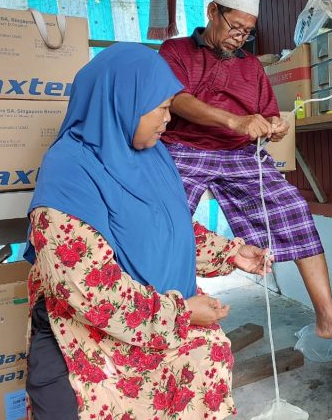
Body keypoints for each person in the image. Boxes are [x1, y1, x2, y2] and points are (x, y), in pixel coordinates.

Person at [24, 43, 271, 419]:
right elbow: (88, 289)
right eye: (161, 107)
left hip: (161, 318)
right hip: (92, 331)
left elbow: (166, 227)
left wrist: (229, 252)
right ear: (123, 102)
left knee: (209, 357)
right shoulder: (68, 172)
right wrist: (182, 313)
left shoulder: (153, 156)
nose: (168, 119)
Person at [158, 0, 332, 349]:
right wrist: (233, 121)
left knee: (294, 209)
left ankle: (329, 317)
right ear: (213, 12)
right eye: (234, 28)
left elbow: (269, 112)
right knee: (164, 220)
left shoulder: (251, 66)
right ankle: (172, 315)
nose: (240, 38)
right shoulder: (175, 50)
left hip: (240, 154)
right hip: (185, 147)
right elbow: (176, 100)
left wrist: (275, 126)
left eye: (247, 32)